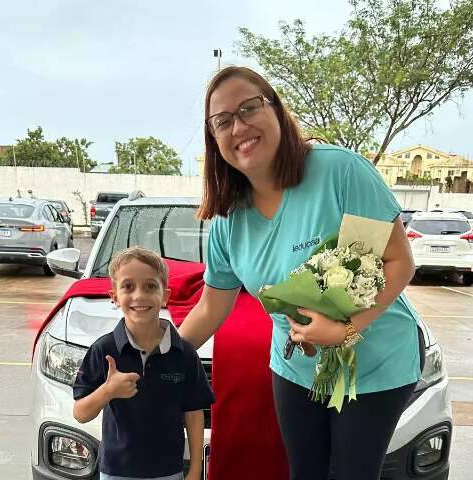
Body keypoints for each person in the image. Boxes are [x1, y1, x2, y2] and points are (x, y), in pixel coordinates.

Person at [178, 66, 421, 480]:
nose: (239, 127)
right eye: (223, 121)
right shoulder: (227, 221)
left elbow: (398, 262)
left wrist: (344, 330)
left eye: (249, 108)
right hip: (295, 366)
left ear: (275, 109)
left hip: (375, 362)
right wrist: (150, 357)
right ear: (213, 139)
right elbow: (211, 308)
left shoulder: (337, 173)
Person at [73, 246, 214, 480]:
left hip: (168, 472)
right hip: (116, 471)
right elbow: (80, 413)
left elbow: (194, 412)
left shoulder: (184, 354)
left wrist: (196, 468)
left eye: (150, 286)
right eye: (128, 286)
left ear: (166, 296)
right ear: (115, 297)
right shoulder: (104, 350)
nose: (139, 295)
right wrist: (108, 391)